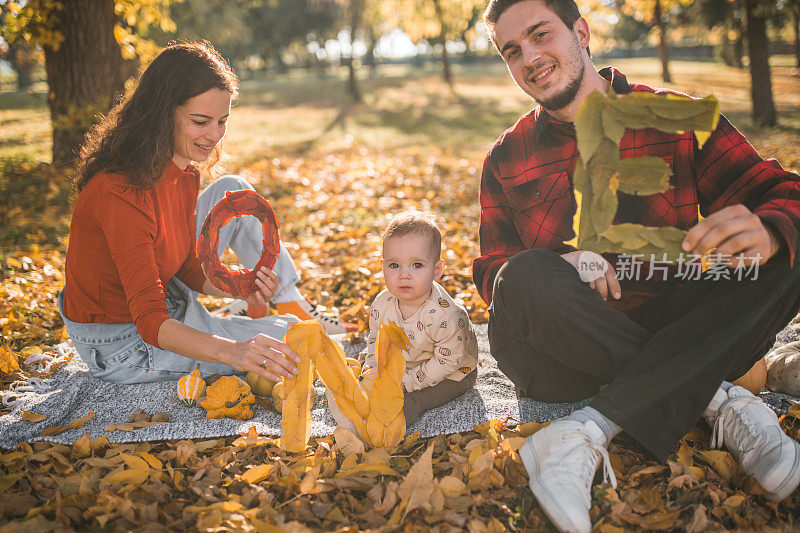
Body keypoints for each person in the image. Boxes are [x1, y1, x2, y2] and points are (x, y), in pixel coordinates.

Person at [474, 1, 800, 531]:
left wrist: (766, 228)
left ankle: (586, 428)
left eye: (540, 35)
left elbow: (784, 192)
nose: (530, 58)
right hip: (561, 351)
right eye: (513, 51)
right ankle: (719, 399)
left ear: (581, 31)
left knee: (788, 252)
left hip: (674, 315)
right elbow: (494, 271)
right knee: (526, 274)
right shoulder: (506, 157)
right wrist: (560, 262)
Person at [59, 41, 349, 385]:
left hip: (167, 301)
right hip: (123, 345)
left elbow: (184, 264)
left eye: (222, 121)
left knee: (308, 336)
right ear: (162, 113)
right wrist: (234, 351)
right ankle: (233, 325)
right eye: (201, 121)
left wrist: (240, 286)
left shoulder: (181, 169)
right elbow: (151, 321)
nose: (214, 136)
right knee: (302, 346)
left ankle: (278, 304)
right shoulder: (119, 194)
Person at [328, 212, 478, 427]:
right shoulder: (382, 304)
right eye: (394, 265)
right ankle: (355, 405)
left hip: (452, 366)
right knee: (367, 370)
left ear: (437, 270)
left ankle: (413, 406)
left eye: (417, 265)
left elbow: (447, 362)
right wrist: (373, 368)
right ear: (383, 267)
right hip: (408, 360)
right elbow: (375, 338)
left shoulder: (446, 316)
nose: (404, 275)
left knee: (442, 388)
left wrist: (406, 383)